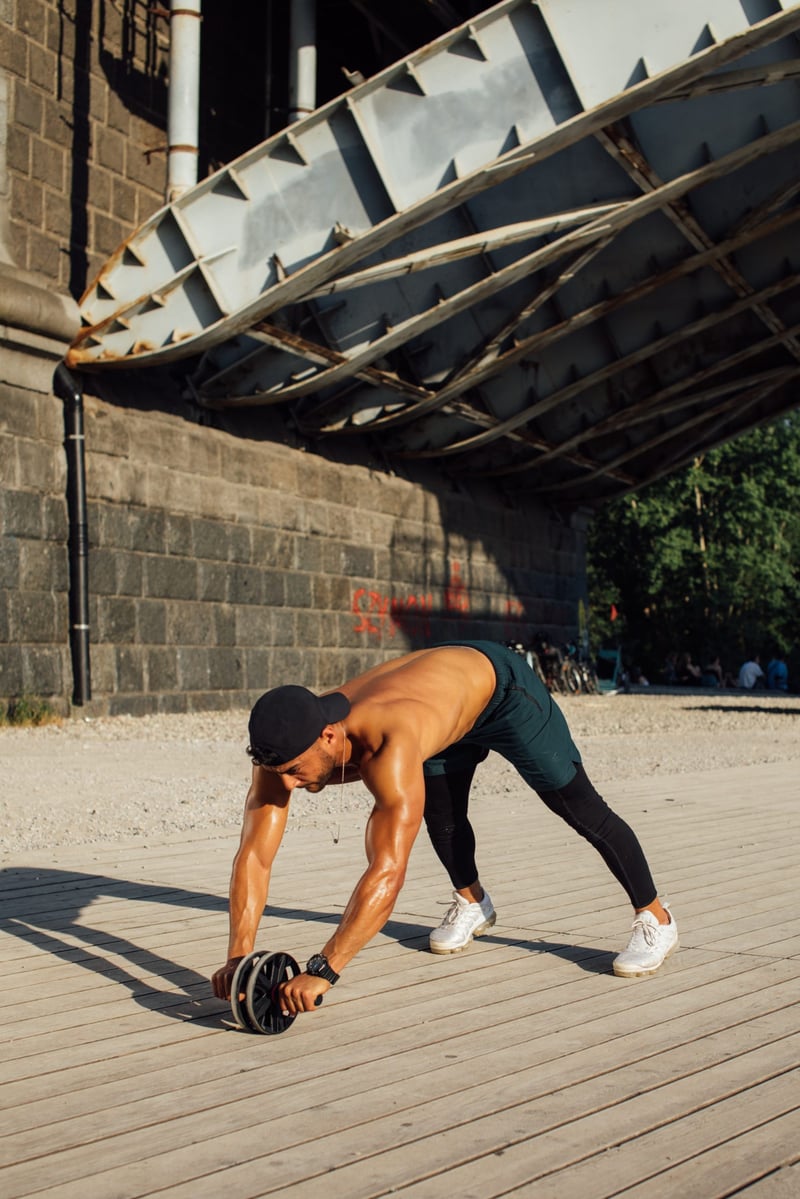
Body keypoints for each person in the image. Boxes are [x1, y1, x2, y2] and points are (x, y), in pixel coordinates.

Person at [211, 641, 678, 1016]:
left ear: (329, 736)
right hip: (443, 704)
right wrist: (238, 959)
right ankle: (473, 902)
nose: (288, 783)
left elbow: (387, 870)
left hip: (502, 693)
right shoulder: (282, 748)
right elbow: (254, 855)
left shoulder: (390, 745)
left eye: (295, 770)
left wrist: (324, 969)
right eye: (281, 773)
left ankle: (655, 918)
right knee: (444, 815)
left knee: (578, 807)